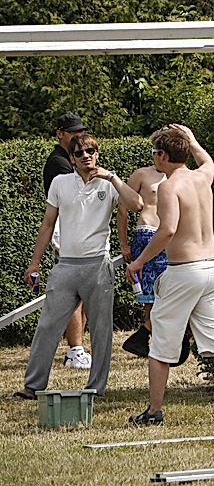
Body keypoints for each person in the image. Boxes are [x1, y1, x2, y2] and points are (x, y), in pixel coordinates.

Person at [127, 124, 214, 426]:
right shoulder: (202, 178)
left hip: (184, 272)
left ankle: (153, 413)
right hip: (213, 269)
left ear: (162, 155)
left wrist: (138, 262)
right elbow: (208, 162)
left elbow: (168, 230)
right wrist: (192, 141)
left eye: (155, 153)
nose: (154, 158)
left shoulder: (168, 186)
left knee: (161, 343)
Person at [9, 133, 143, 401]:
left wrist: (112, 176)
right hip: (66, 266)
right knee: (47, 326)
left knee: (102, 330)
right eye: (80, 153)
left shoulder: (111, 182)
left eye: (91, 151)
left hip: (98, 265)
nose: (87, 156)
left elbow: (137, 204)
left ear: (97, 153)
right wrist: (35, 262)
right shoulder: (60, 183)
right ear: (72, 158)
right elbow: (48, 224)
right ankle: (32, 387)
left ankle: (96, 388)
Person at [41, 113, 91, 371]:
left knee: (81, 296)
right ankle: (75, 350)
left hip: (74, 234)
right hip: (66, 236)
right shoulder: (59, 164)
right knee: (73, 296)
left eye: (81, 131)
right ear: (60, 133)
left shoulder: (66, 160)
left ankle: (78, 348)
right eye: (73, 133)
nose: (77, 137)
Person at [117, 160, 169, 360]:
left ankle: (145, 335)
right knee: (149, 294)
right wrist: (123, 244)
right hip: (147, 232)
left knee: (170, 290)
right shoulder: (141, 174)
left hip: (170, 236)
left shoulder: (178, 174)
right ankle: (151, 341)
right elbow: (123, 209)